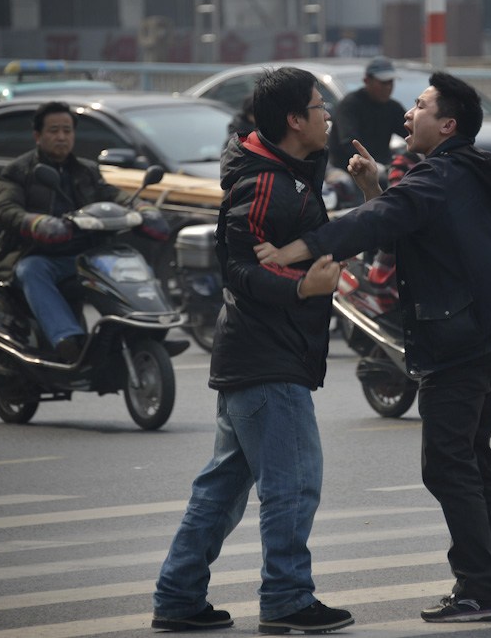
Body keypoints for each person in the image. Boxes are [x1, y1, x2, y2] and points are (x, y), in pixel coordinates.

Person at [255, 71, 491, 624]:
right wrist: (372, 186)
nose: (409, 114)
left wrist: (298, 247)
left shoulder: (440, 174)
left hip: (459, 340)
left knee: (448, 465)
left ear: (448, 124)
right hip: (488, 334)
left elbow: (385, 218)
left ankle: (480, 589)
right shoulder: (463, 170)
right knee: (474, 464)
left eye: (421, 105)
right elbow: (405, 219)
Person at [151, 67, 353, 634]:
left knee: (221, 490)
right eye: (318, 107)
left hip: (258, 354)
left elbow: (320, 238)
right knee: (293, 483)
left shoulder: (288, 172)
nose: (326, 116)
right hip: (266, 357)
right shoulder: (264, 182)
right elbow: (237, 270)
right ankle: (287, 599)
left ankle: (178, 596)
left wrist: (366, 193)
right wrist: (301, 287)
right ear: (294, 121)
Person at [0, 100, 166, 364]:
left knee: (126, 260)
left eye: (67, 130)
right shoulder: (18, 171)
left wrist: (141, 206)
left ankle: (142, 329)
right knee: (32, 270)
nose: (61, 136)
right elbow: (6, 209)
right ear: (37, 136)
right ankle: (68, 341)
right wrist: (38, 223)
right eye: (54, 131)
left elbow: (112, 195)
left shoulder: (86, 170)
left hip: (85, 253)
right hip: (39, 253)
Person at [327, 55, 406, 171]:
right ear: (366, 81)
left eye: (391, 82)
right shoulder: (350, 105)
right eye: (383, 82)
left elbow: (411, 132)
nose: (388, 87)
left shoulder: (393, 108)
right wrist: (368, 163)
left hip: (383, 166)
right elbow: (349, 142)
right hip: (348, 169)